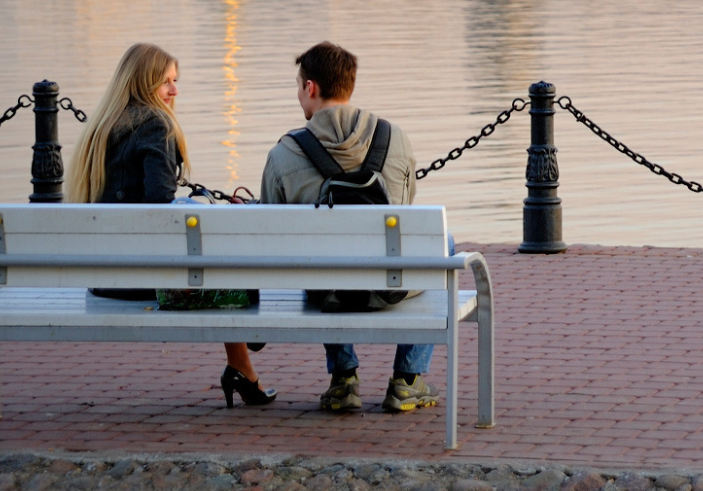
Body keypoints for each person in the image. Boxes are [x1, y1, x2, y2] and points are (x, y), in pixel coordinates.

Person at [65, 42, 276, 409]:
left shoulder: (100, 128)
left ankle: (242, 366)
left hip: (103, 277)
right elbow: (162, 210)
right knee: (221, 246)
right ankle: (248, 318)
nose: (175, 91)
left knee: (209, 239)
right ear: (144, 84)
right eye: (167, 83)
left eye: (175, 81)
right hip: (142, 280)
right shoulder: (155, 125)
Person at [260, 41, 436, 414]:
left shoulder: (283, 153)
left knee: (321, 258)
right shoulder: (397, 139)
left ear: (311, 88)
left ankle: (344, 380)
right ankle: (407, 380)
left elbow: (269, 235)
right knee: (442, 245)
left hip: (326, 291)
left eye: (298, 85)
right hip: (389, 285)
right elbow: (405, 210)